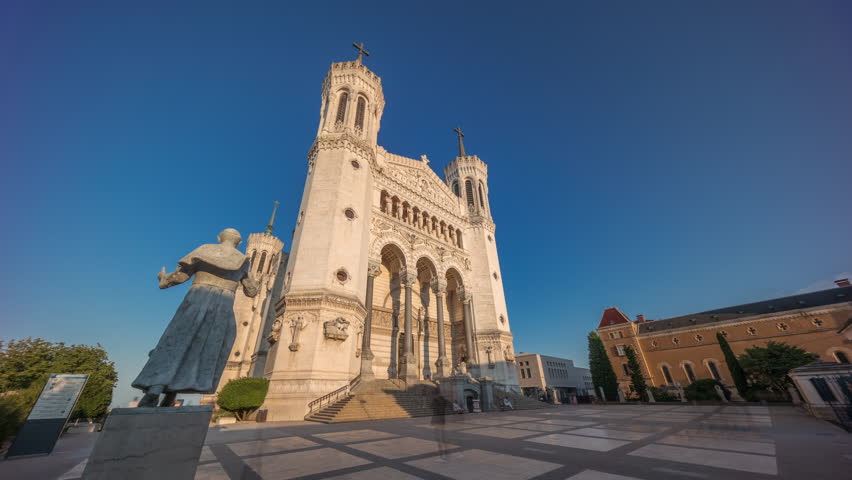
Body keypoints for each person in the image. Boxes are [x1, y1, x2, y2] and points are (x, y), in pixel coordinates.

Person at [132, 228, 258, 407]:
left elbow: (178, 277)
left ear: (219, 238)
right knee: (204, 348)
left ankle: (156, 387)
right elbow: (252, 290)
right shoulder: (243, 260)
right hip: (223, 306)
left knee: (176, 341)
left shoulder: (205, 250)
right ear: (239, 243)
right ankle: (171, 395)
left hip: (196, 300)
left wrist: (163, 279)